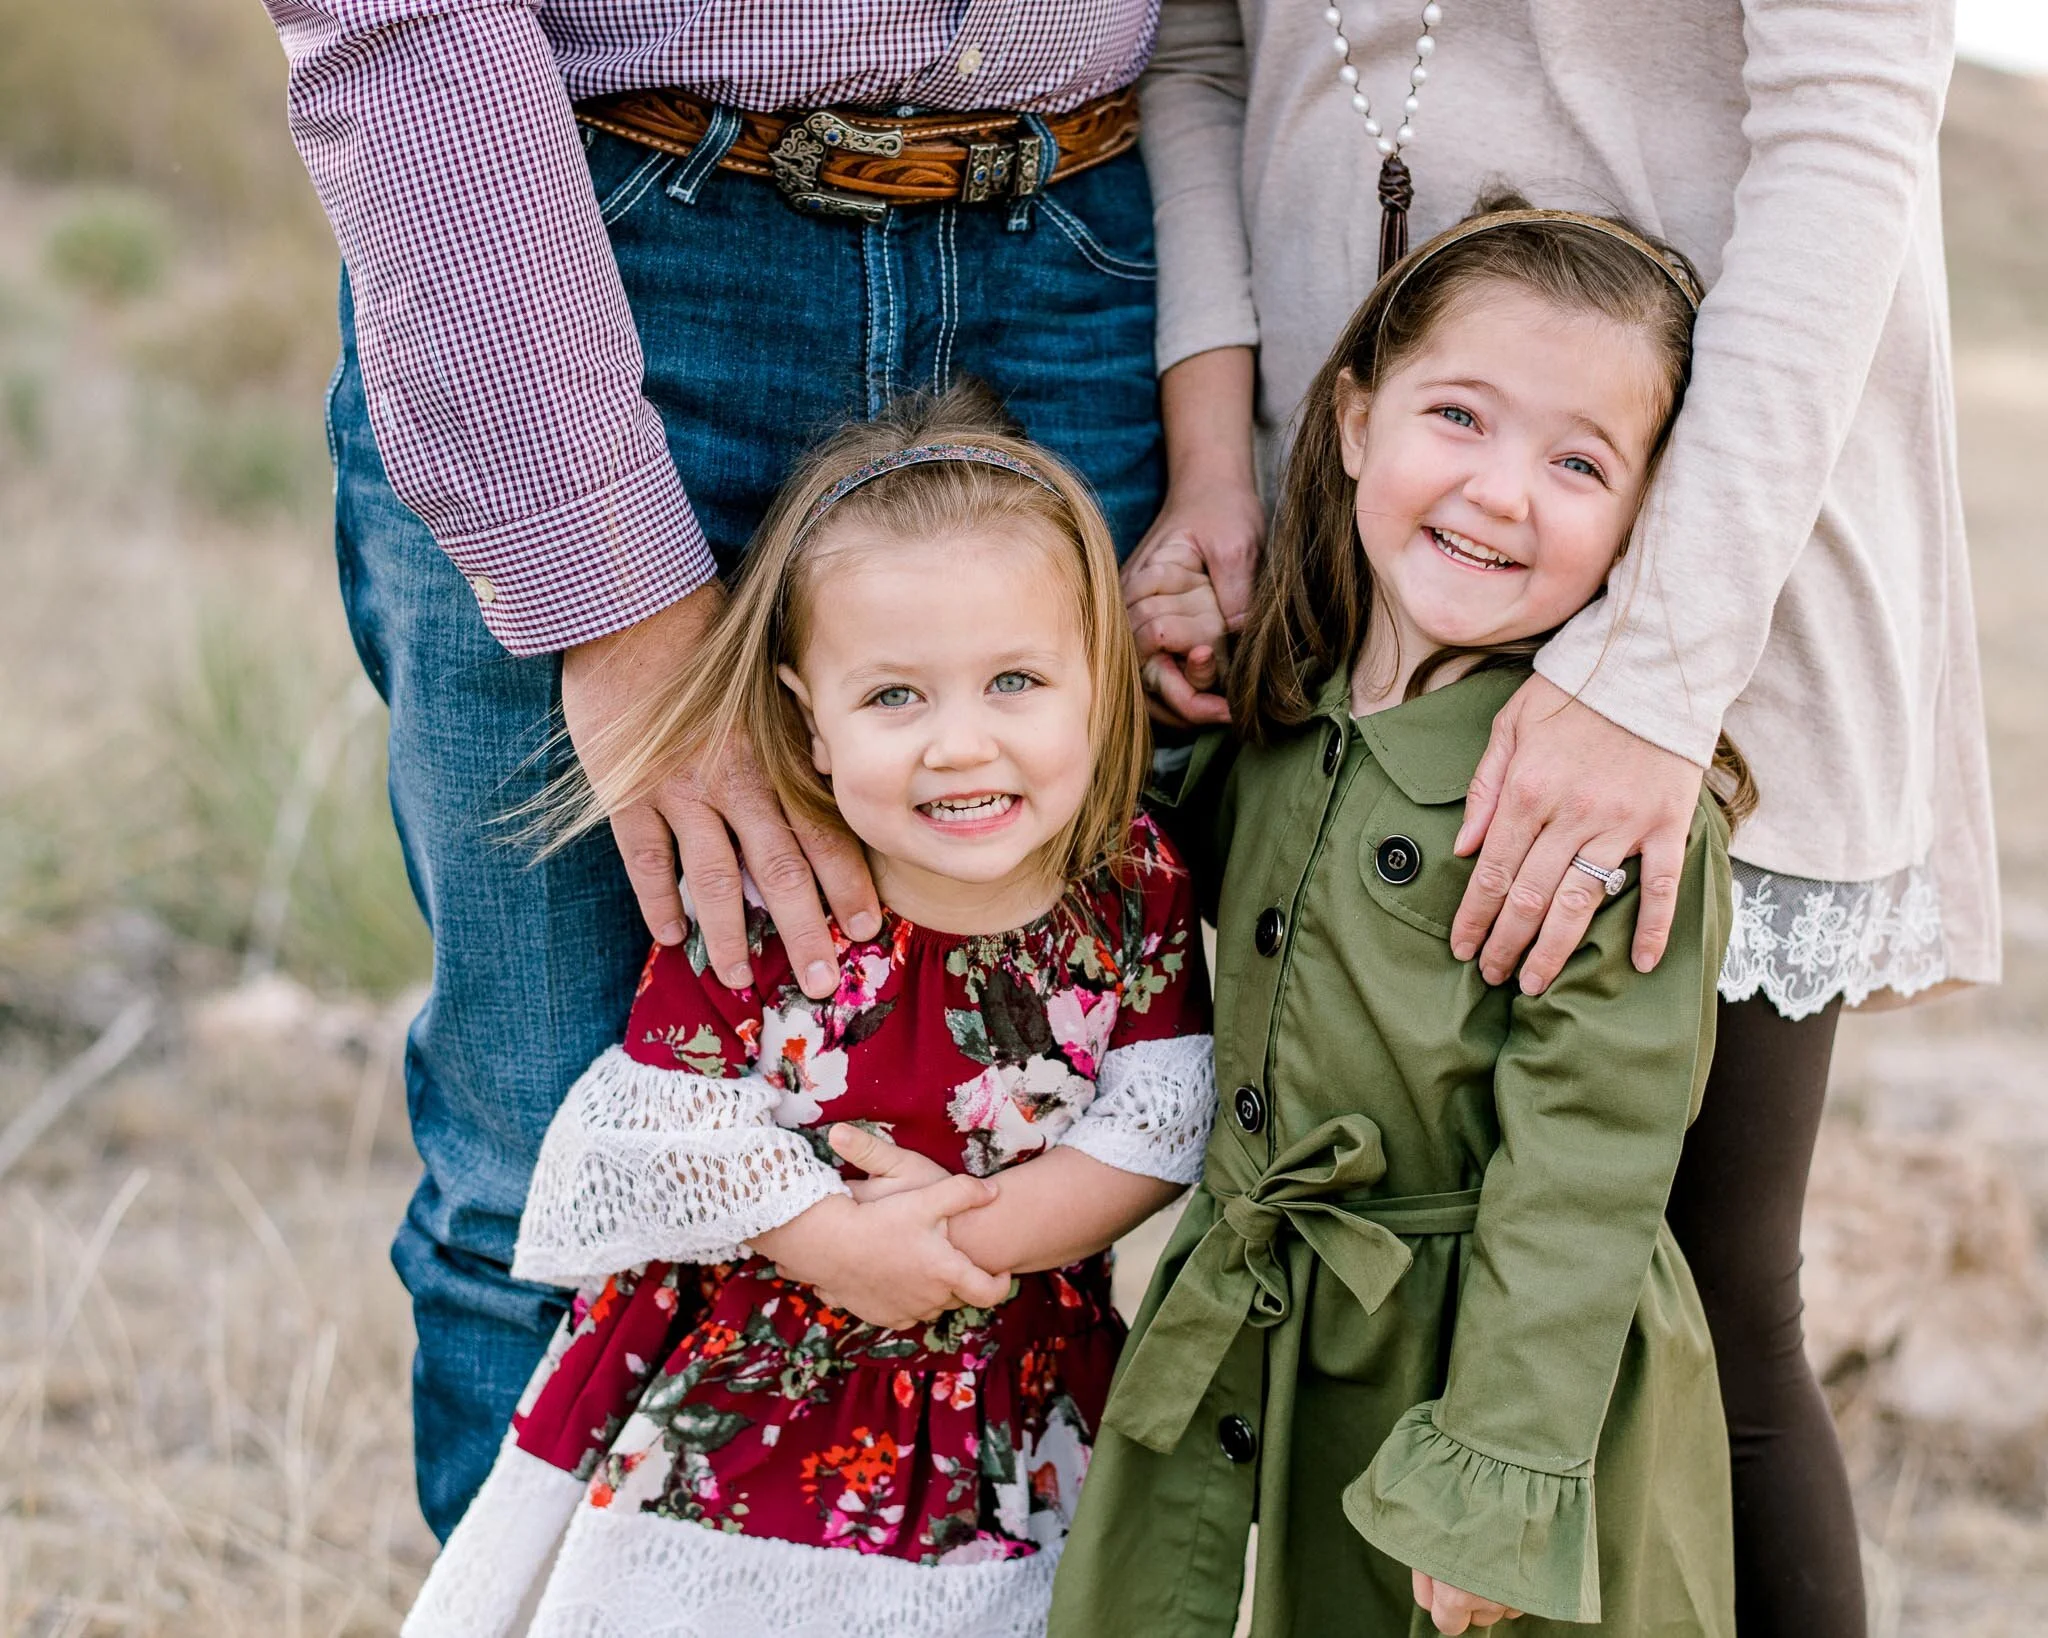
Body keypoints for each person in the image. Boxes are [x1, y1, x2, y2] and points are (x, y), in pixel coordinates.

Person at [1127, 3, 1998, 1629]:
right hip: (1351, 552)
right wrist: (1215, 461)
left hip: (1704, 514)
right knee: (1341, 1271)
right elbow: (1192, 59)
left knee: (1697, 1297)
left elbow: (1849, 112)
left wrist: (1650, 672)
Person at [261, 0, 1171, 1536]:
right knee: (551, 1171)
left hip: (1073, 257)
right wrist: (607, 588)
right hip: (602, 251)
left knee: (1022, 1136)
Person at [400, 388, 1216, 1638]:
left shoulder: (1130, 881)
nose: (959, 744)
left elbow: (1158, 1118)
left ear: (1100, 687)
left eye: (1013, 681)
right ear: (805, 720)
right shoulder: (778, 889)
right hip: (745, 1401)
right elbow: (674, 1116)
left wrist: (969, 1242)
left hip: (1008, 1393)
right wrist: (831, 1238)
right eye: (895, 697)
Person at [1048, 206, 1739, 1636]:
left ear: (1646, 517)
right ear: (1356, 418)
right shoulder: (1276, 715)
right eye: (1460, 417)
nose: (1501, 493)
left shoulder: (1590, 806)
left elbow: (1589, 1166)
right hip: (1265, 1310)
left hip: (1482, 1353)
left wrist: (1497, 1466)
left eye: (1578, 462)